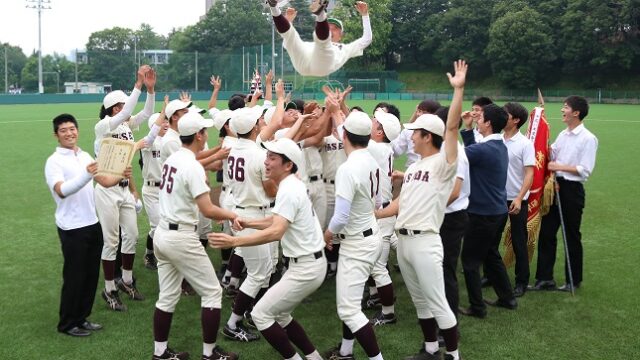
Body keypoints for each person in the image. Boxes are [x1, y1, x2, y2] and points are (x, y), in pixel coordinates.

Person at [375, 60, 467, 360]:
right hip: (404, 241)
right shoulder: (415, 168)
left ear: (428, 136)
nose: (411, 136)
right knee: (420, 302)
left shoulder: (443, 163)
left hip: (426, 241)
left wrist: (458, 90)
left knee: (438, 303)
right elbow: (402, 203)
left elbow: (451, 127)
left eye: (415, 132)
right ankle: (430, 351)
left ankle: (453, 355)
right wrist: (376, 214)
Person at [210, 138, 326, 360]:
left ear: (288, 165)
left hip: (307, 267)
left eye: (272, 158)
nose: (266, 162)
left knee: (261, 315)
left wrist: (234, 242)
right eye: (267, 157)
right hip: (306, 263)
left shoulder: (289, 190)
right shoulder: (290, 185)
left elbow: (276, 232)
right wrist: (247, 222)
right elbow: (276, 221)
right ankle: (313, 357)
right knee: (280, 316)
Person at [152, 111, 239, 360]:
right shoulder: (191, 165)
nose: (207, 134)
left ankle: (160, 353)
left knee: (167, 297)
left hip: (163, 233)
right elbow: (208, 209)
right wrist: (231, 216)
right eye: (204, 131)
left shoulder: (175, 158)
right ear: (199, 135)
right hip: (180, 237)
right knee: (212, 292)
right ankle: (210, 354)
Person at [45, 114, 131, 337]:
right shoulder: (54, 161)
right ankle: (67, 323)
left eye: (72, 129)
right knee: (74, 276)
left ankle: (82, 318)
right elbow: (61, 190)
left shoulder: (83, 156)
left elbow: (102, 181)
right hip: (71, 227)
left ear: (77, 130)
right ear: (56, 134)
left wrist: (120, 174)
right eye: (63, 130)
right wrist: (86, 175)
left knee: (91, 275)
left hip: (92, 223)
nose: (69, 133)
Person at [323, 111, 384, 360]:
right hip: (370, 234)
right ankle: (346, 351)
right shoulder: (372, 159)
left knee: (348, 309)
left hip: (357, 242)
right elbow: (378, 203)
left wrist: (326, 235)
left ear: (344, 134)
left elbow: (340, 217)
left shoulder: (348, 168)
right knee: (352, 301)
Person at [94, 65, 156, 311]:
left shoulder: (125, 129)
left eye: (123, 105)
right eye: (119, 107)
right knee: (111, 241)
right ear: (112, 110)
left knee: (132, 235)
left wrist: (150, 91)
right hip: (106, 189)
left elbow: (145, 113)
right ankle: (109, 288)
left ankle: (127, 281)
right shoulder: (103, 127)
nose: (124, 111)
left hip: (123, 188)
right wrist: (138, 85)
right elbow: (128, 112)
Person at [222, 106, 278, 342]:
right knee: (258, 273)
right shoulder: (257, 153)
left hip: (244, 210)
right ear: (255, 126)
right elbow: (268, 187)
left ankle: (250, 313)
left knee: (263, 270)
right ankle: (234, 322)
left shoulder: (235, 147)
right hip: (253, 214)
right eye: (259, 121)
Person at [533, 95, 598, 292]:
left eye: (566, 107)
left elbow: (584, 169)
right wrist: (542, 139)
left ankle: (573, 280)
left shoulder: (588, 138)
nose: (562, 110)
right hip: (554, 186)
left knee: (571, 235)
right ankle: (545, 278)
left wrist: (559, 166)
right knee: (546, 233)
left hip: (571, 190)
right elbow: (551, 153)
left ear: (576, 113)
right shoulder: (563, 134)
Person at [458, 103, 517, 319]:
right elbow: (475, 155)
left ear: (488, 123)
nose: (476, 118)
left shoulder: (484, 149)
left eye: (480, 117)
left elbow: (460, 157)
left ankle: (477, 307)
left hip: (482, 214)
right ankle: (507, 298)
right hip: (496, 211)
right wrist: (467, 129)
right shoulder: (498, 146)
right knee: (491, 255)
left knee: (470, 261)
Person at [266, 0, 372, 77]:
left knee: (323, 44)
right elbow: (287, 40)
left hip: (323, 66)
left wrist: (365, 15)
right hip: (302, 63)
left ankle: (320, 12)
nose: (330, 30)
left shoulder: (345, 49)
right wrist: (289, 22)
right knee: (291, 35)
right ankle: (273, 6)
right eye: (328, 26)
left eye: (335, 28)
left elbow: (367, 39)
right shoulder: (310, 45)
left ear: (341, 35)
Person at [364, 110, 401, 326]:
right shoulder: (381, 147)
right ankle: (377, 297)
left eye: (374, 121)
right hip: (380, 212)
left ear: (379, 132)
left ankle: (388, 313)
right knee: (375, 262)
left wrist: (338, 110)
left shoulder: (376, 147)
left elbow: (350, 133)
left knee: (377, 265)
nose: (371, 121)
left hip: (382, 214)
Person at [498, 102, 535, 297]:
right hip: (496, 198)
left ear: (516, 120)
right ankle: (491, 275)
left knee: (519, 241)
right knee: (492, 239)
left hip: (516, 199)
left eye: (505, 114)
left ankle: (522, 282)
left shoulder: (525, 144)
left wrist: (520, 198)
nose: (501, 116)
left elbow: (529, 175)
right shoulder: (496, 139)